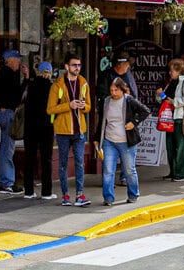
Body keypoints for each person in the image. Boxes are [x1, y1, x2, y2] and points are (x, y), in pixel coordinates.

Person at [97, 77, 150, 206]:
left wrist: (134, 122)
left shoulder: (129, 100)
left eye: (116, 90)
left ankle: (133, 194)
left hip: (126, 141)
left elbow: (145, 111)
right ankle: (108, 198)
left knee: (129, 170)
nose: (113, 93)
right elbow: (102, 121)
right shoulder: (106, 101)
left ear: (122, 90)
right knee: (108, 170)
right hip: (109, 140)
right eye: (111, 90)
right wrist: (96, 139)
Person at [47, 52, 92, 206]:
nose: (77, 68)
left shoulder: (84, 83)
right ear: (67, 67)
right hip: (63, 131)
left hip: (79, 130)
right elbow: (50, 109)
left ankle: (80, 195)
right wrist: (69, 106)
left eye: (79, 65)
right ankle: (65, 195)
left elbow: (89, 107)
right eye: (74, 65)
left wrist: (82, 106)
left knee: (80, 162)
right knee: (63, 163)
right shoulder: (57, 85)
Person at [0, 49, 28, 194]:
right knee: (8, 149)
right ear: (10, 60)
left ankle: (6, 180)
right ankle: (7, 182)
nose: (19, 62)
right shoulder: (9, 74)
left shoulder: (3, 74)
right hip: (7, 113)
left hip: (4, 112)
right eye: (17, 59)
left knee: (6, 147)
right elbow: (18, 96)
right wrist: (26, 78)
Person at [160, 58, 184, 182]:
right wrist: (159, 95)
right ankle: (173, 171)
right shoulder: (171, 83)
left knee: (181, 147)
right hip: (169, 118)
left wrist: (174, 102)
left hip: (181, 118)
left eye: (172, 70)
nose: (170, 73)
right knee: (170, 147)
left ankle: (181, 173)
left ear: (179, 70)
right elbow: (165, 99)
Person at [22, 61, 55, 200]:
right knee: (46, 159)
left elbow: (24, 103)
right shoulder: (52, 87)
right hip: (47, 126)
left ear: (38, 71)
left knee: (29, 158)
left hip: (30, 127)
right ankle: (46, 192)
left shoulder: (31, 85)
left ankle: (28, 191)